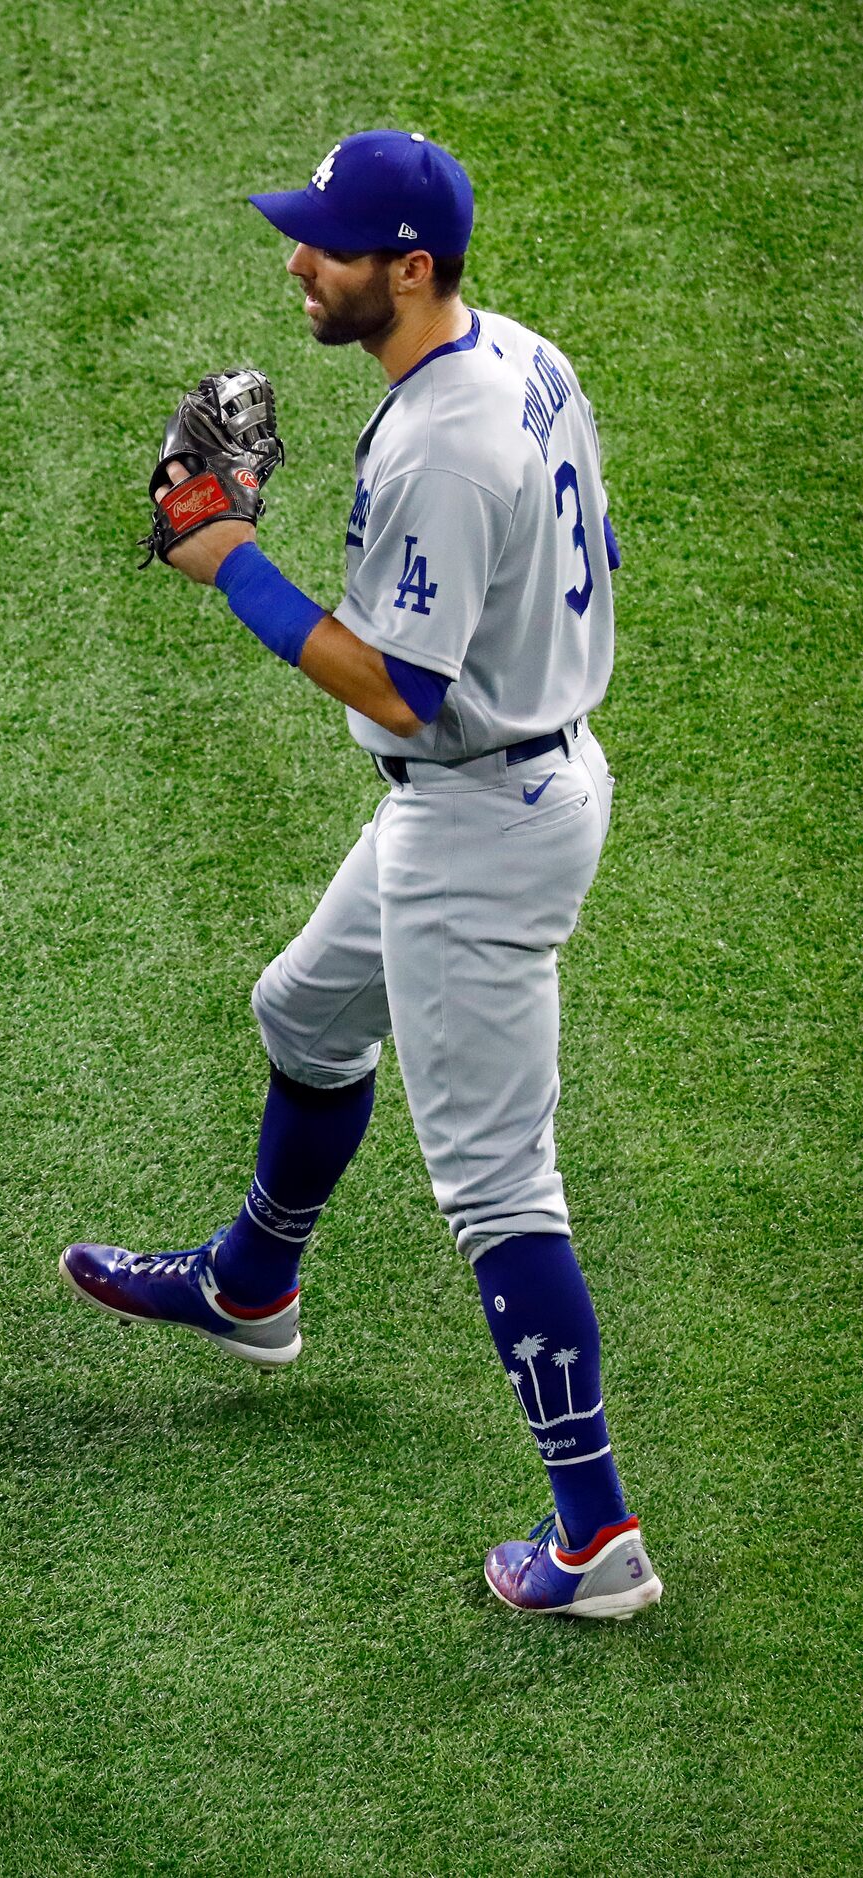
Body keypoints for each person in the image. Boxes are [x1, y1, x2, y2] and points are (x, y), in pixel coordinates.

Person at [64, 134, 662, 1619]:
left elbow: (395, 686)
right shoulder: (519, 356)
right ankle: (249, 1287)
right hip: (495, 775)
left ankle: (594, 1537)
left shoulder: (445, 443)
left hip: (479, 815)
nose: (294, 261)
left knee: (498, 1186)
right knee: (305, 1012)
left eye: (323, 245)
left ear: (408, 267)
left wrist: (223, 557)